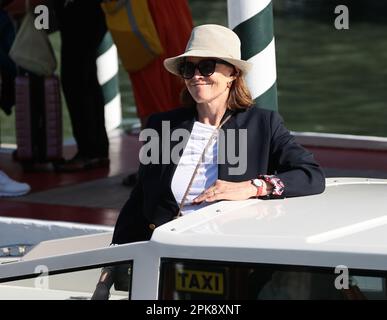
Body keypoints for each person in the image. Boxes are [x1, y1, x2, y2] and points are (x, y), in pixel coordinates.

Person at [91, 24, 326, 299]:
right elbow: (139, 202)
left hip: (233, 267)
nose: (196, 77)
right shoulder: (162, 126)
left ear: (232, 74)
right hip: (164, 264)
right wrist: (105, 278)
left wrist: (253, 187)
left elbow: (311, 175)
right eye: (188, 70)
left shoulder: (262, 125)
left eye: (206, 67)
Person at [120, 0, 193, 186]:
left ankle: (157, 166)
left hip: (144, 15)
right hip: (167, 13)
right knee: (180, 79)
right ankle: (174, 163)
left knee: (152, 90)